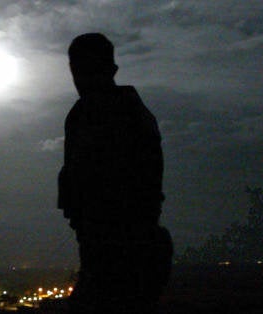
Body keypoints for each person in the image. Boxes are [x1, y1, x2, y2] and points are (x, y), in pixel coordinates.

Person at [58, 33, 173, 313]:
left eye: (87, 70)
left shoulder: (115, 114)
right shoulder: (85, 115)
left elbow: (134, 184)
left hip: (121, 249)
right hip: (107, 244)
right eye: (78, 71)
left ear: (109, 70)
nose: (81, 80)